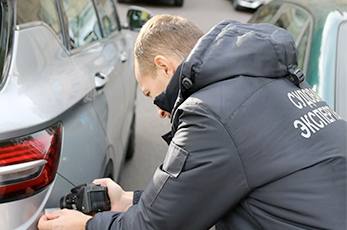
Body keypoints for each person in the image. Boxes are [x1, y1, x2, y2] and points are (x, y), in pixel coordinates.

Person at [38, 14, 347, 230]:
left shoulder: (210, 113)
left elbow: (156, 226)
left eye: (152, 95)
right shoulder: (273, 82)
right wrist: (126, 199)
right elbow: (201, 190)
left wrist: (88, 226)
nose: (159, 111)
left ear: (164, 67)